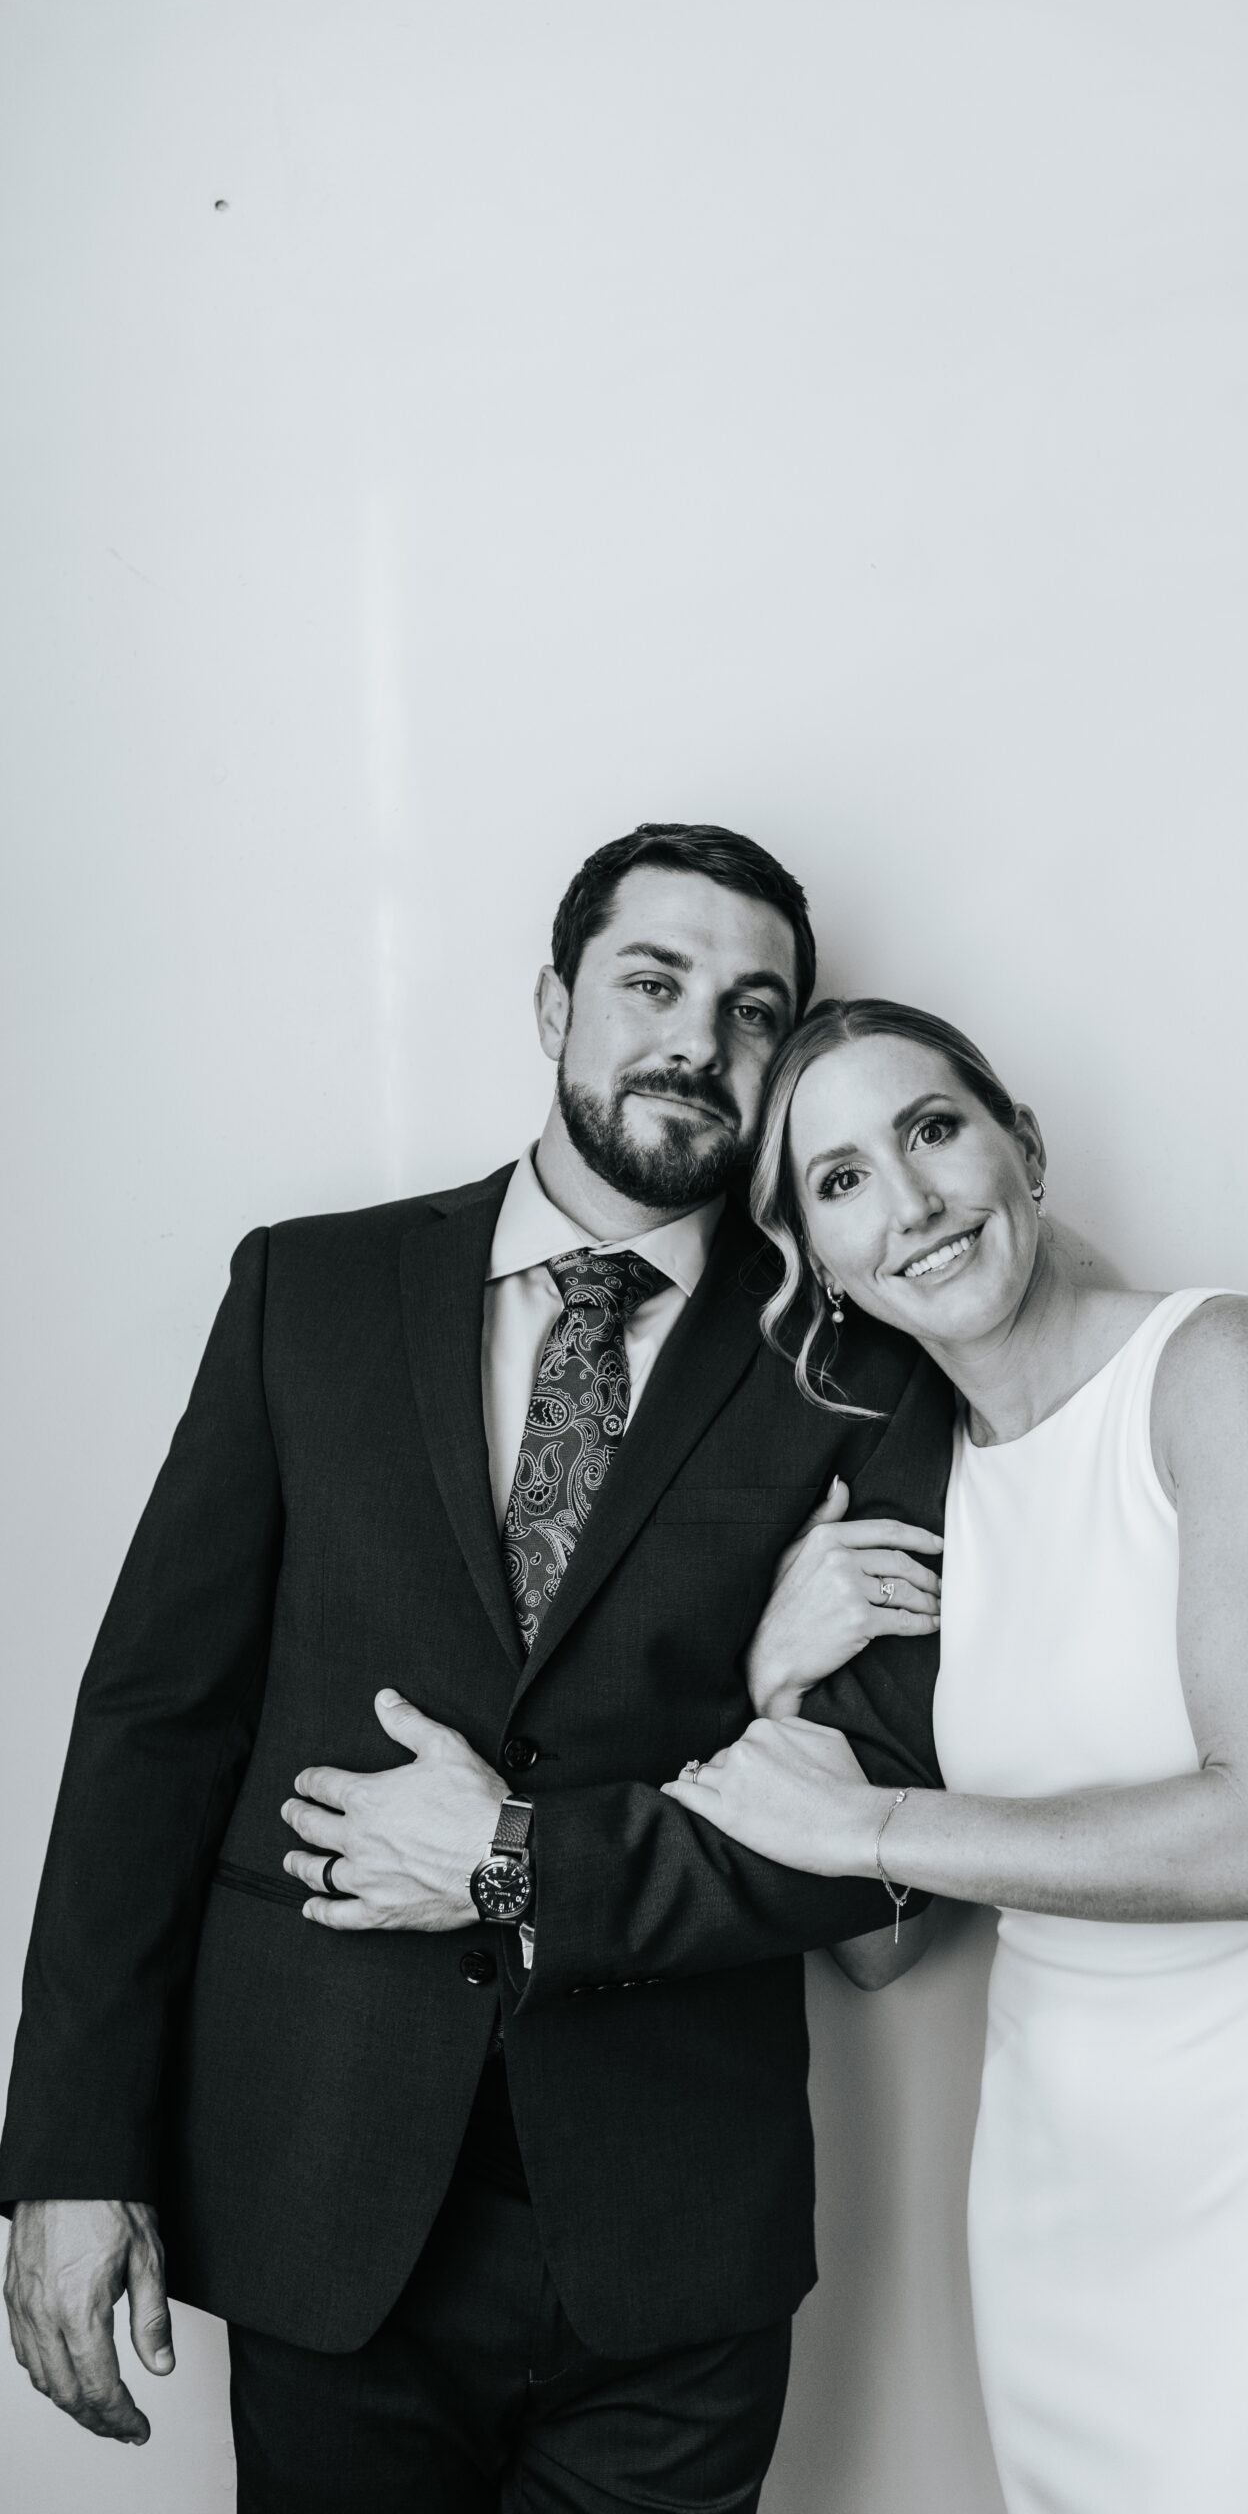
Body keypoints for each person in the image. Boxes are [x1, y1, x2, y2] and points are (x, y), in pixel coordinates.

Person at [0, 832, 951, 2514]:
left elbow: (881, 1838)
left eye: (751, 1012)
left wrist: (527, 1849)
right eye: (651, 983)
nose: (694, 1041)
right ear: (553, 1001)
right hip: (322, 2200)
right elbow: (153, 1726)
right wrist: (67, 2159)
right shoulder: (312, 1290)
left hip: (674, 2244)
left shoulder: (859, 1361)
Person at [665, 996, 1248, 2514]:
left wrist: (880, 1827)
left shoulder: (1225, 1368)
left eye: (931, 1131)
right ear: (816, 1265)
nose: (906, 1204)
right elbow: (880, 1961)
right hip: (1054, 2226)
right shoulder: (927, 1501)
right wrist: (777, 1685)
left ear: (1020, 1147)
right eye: (839, 1180)